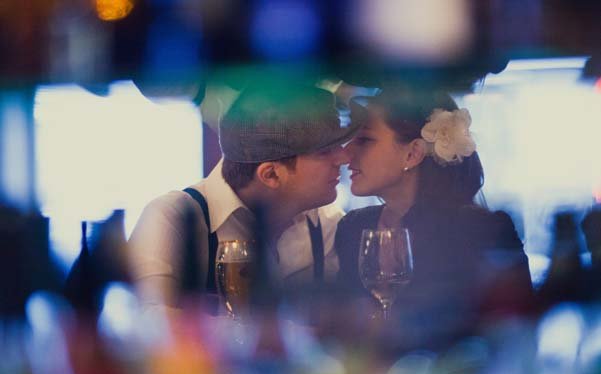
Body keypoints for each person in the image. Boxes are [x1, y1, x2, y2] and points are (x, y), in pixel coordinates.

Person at [129, 84, 364, 309]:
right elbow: (149, 326)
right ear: (270, 174)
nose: (344, 158)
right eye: (324, 151)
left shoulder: (329, 225)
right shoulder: (171, 219)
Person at [335, 89, 534, 340]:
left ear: (413, 152)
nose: (345, 153)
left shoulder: (479, 231)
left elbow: (516, 333)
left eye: (364, 140)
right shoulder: (352, 228)